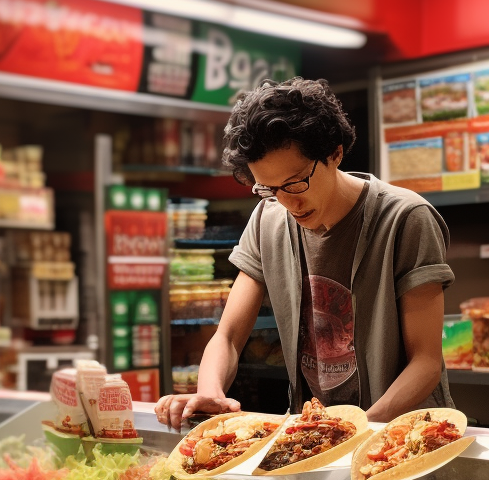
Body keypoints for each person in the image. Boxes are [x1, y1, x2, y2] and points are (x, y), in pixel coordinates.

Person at [155, 77, 455, 430]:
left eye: (296, 182)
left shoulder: (405, 219)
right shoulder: (269, 219)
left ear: (335, 153)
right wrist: (210, 393)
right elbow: (228, 337)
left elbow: (426, 362)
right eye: (269, 187)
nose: (287, 201)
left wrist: (357, 430)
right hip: (315, 430)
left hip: (403, 434)